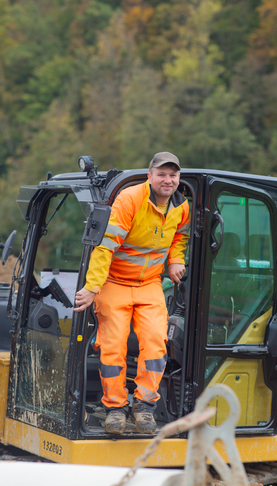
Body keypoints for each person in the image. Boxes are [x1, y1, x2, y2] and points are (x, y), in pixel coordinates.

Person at [74, 152, 190, 435]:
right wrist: (92, 287)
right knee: (113, 344)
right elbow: (105, 245)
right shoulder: (130, 199)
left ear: (178, 179)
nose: (167, 180)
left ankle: (144, 407)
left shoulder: (182, 207)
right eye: (161, 174)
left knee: (156, 342)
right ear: (150, 175)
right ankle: (115, 408)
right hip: (114, 282)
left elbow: (181, 236)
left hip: (149, 284)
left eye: (172, 175)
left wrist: (176, 259)